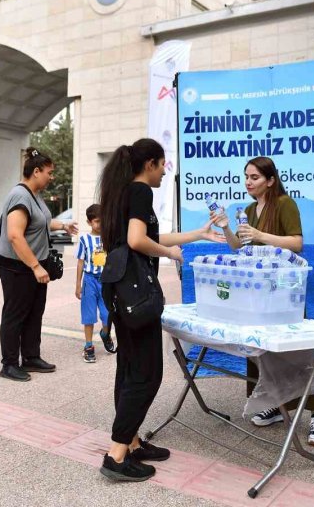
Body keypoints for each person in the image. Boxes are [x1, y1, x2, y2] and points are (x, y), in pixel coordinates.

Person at [98, 138, 223, 482]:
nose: (166, 171)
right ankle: (117, 454)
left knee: (129, 370)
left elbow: (148, 236)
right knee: (146, 373)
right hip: (137, 297)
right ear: (150, 163)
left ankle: (134, 442)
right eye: (163, 164)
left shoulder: (121, 193)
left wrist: (197, 234)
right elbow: (140, 241)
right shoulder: (140, 192)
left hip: (122, 294)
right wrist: (169, 255)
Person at [216, 156, 314, 447]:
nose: (248, 182)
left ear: (270, 180)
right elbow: (240, 247)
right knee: (261, 349)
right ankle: (277, 405)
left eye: (254, 177)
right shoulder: (251, 210)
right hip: (259, 293)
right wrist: (227, 228)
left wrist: (259, 235)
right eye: (246, 176)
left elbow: (297, 243)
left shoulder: (285, 204)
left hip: (286, 292)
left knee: (297, 353)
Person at [0, 147, 78, 382]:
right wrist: (35, 266)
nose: (51, 177)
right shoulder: (20, 196)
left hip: (32, 264)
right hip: (17, 266)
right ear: (36, 171)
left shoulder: (34, 195)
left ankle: (31, 357)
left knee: (34, 312)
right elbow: (15, 235)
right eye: (49, 173)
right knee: (15, 314)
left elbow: (39, 222)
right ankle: (9, 364)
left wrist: (63, 226)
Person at [75, 203, 115, 363]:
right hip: (90, 281)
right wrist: (78, 284)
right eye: (97, 221)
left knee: (107, 316)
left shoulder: (109, 238)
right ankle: (89, 346)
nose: (101, 224)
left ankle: (105, 333)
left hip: (105, 282)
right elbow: (80, 262)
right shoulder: (85, 239)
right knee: (89, 315)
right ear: (89, 222)